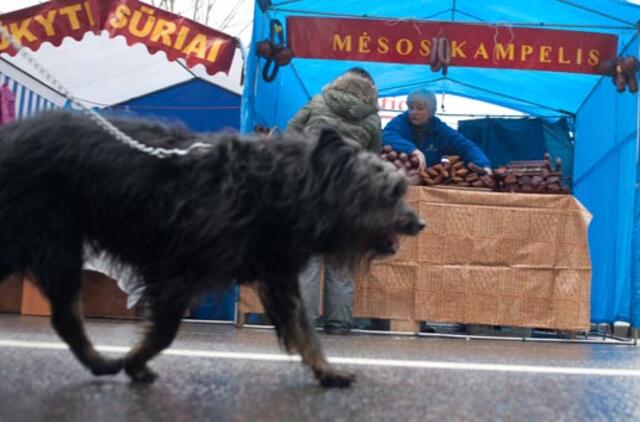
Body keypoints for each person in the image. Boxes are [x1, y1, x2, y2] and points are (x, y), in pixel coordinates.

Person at [286, 67, 381, 335]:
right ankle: (339, 323)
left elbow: (290, 132)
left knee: (309, 261)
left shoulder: (317, 102)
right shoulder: (372, 118)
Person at [382, 89, 491, 173]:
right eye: (411, 107)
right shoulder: (401, 121)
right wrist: (413, 150)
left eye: (420, 108)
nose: (414, 112)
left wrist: (484, 165)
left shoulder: (440, 130)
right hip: (398, 180)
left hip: (426, 182)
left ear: (432, 111)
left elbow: (465, 147)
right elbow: (386, 135)